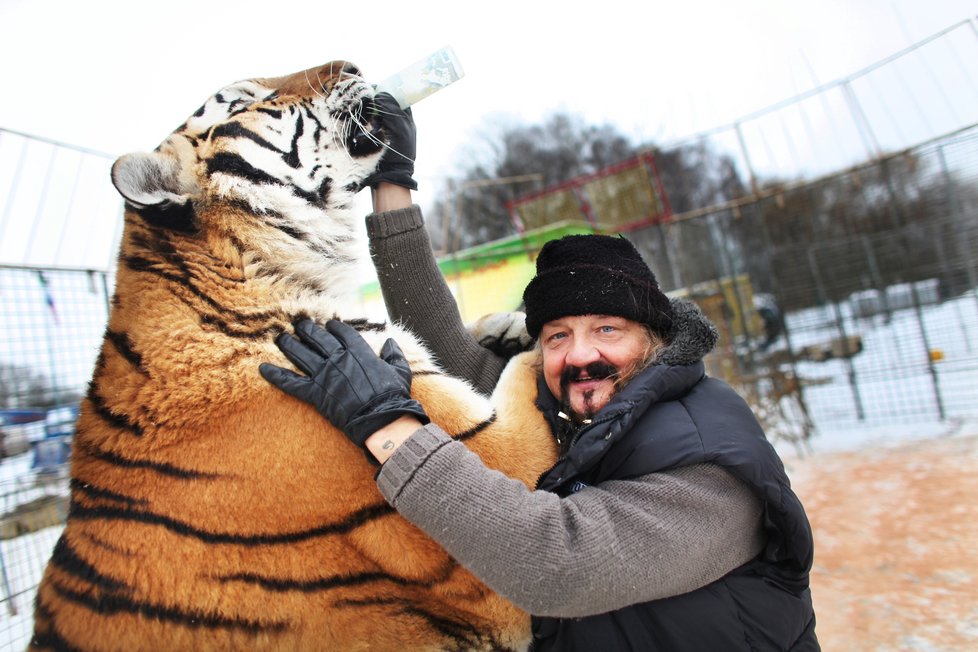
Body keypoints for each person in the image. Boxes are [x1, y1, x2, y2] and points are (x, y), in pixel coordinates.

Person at [259, 93, 819, 650]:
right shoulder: (566, 415)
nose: (578, 356)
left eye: (607, 329)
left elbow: (562, 566)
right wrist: (392, 183)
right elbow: (436, 341)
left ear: (654, 339)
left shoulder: (710, 459)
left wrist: (387, 426)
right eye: (557, 336)